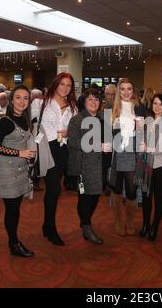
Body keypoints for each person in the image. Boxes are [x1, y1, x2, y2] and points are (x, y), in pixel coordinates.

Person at [31, 72, 78, 246]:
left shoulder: (73, 107)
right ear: (55, 84)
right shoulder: (41, 103)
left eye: (69, 85)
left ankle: (46, 225)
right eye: (62, 84)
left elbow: (76, 129)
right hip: (45, 147)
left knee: (53, 190)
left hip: (62, 149)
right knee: (53, 189)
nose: (65, 88)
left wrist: (70, 132)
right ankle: (50, 229)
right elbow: (28, 121)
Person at [0, 84, 36, 257]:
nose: (22, 101)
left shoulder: (24, 119)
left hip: (21, 168)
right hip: (7, 171)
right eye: (18, 97)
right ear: (11, 100)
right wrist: (20, 152)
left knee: (16, 208)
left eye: (26, 98)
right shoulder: (5, 121)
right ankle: (13, 243)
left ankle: (14, 241)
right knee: (12, 209)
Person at [68, 88, 108, 244]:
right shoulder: (77, 120)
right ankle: (86, 226)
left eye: (97, 99)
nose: (94, 102)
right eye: (90, 99)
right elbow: (74, 143)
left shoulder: (102, 118)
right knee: (85, 197)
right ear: (84, 102)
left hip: (100, 166)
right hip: (83, 166)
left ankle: (85, 221)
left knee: (96, 195)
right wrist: (98, 145)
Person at [108, 78, 147, 237]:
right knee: (116, 188)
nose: (125, 92)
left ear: (133, 91)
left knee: (132, 190)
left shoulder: (139, 108)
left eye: (129, 89)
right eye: (122, 89)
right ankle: (118, 221)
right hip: (117, 152)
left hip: (133, 152)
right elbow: (107, 132)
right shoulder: (112, 108)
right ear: (118, 91)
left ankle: (129, 221)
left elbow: (142, 132)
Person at [137, 94, 162, 241]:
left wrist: (149, 148)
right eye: (155, 103)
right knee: (146, 197)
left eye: (160, 104)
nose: (157, 107)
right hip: (148, 165)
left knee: (158, 198)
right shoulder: (148, 121)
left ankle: (155, 226)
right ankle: (145, 224)